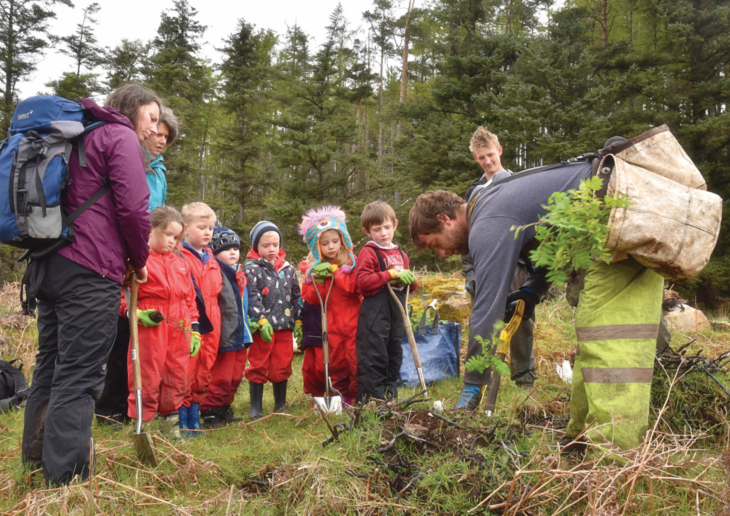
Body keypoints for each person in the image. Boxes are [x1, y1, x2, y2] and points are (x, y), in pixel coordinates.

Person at [408, 158, 664, 452]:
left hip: (622, 221)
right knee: (592, 338)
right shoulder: (491, 204)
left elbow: (486, 308)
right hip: (614, 228)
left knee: (609, 342)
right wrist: (531, 291)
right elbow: (545, 252)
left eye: (434, 243)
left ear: (444, 219)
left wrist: (471, 384)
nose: (441, 254)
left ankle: (615, 455)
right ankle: (581, 438)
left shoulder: (487, 222)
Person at [22, 84, 158, 486]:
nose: (153, 129)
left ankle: (36, 461)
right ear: (132, 111)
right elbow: (134, 209)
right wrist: (139, 260)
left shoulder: (76, 135)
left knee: (49, 365)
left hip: (49, 266)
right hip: (91, 268)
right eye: (151, 118)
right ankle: (66, 480)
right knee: (80, 373)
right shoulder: (119, 137)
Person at [458, 127, 537, 409]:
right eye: (481, 158)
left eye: (490, 155)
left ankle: (524, 376)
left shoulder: (519, 183)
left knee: (520, 321)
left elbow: (534, 231)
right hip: (484, 267)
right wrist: (470, 271)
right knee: (486, 323)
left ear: (500, 151)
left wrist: (532, 274)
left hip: (516, 265)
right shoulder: (474, 192)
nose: (487, 161)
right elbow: (468, 237)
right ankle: (483, 379)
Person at [122, 206, 200, 440]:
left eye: (177, 238)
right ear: (151, 229)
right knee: (147, 372)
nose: (172, 241)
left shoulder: (180, 262)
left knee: (176, 374)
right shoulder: (137, 259)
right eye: (168, 235)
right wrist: (131, 312)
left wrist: (194, 330)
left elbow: (189, 297)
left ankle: (170, 425)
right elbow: (120, 289)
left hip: (179, 324)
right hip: (151, 323)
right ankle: (140, 424)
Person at [298, 206, 362, 405]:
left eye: (335, 241)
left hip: (354, 321)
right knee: (336, 362)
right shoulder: (317, 268)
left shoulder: (351, 264)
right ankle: (338, 396)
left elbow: (353, 287)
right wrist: (314, 280)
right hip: (331, 323)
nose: (331, 247)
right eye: (325, 243)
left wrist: (336, 271)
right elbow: (312, 298)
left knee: (355, 360)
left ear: (343, 239)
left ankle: (357, 396)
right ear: (317, 247)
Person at [355, 202, 417, 403]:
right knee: (374, 353)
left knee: (394, 351)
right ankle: (372, 399)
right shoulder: (369, 252)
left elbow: (409, 288)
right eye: (377, 229)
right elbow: (362, 283)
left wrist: (411, 280)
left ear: (395, 225)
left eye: (387, 227)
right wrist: (388, 274)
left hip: (397, 310)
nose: (383, 233)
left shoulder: (401, 255)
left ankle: (390, 395)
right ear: (367, 231)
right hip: (375, 312)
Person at [244, 221, 303, 419]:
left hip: (284, 327)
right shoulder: (252, 269)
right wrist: (260, 319)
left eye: (275, 245)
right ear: (255, 246)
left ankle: (280, 405)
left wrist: (298, 319)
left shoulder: (288, 269)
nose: (271, 249)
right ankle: (256, 407)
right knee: (259, 363)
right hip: (264, 328)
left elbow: (296, 295)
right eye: (265, 245)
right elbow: (251, 295)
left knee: (282, 363)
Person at [199, 227, 254, 428]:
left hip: (239, 332)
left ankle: (224, 406)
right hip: (224, 333)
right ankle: (209, 410)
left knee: (235, 373)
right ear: (214, 250)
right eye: (227, 248)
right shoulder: (215, 271)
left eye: (236, 248)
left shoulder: (238, 272)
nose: (233, 252)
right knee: (220, 374)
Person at [180, 202, 222, 436]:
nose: (208, 233)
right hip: (190, 320)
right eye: (202, 227)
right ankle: (182, 419)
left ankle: (195, 417)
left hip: (213, 319)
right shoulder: (179, 256)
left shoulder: (212, 257)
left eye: (211, 228)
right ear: (185, 228)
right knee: (187, 369)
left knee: (205, 368)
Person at [143, 106, 179, 211]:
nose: (163, 141)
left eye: (166, 137)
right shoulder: (131, 162)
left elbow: (160, 213)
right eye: (159, 135)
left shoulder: (159, 172)